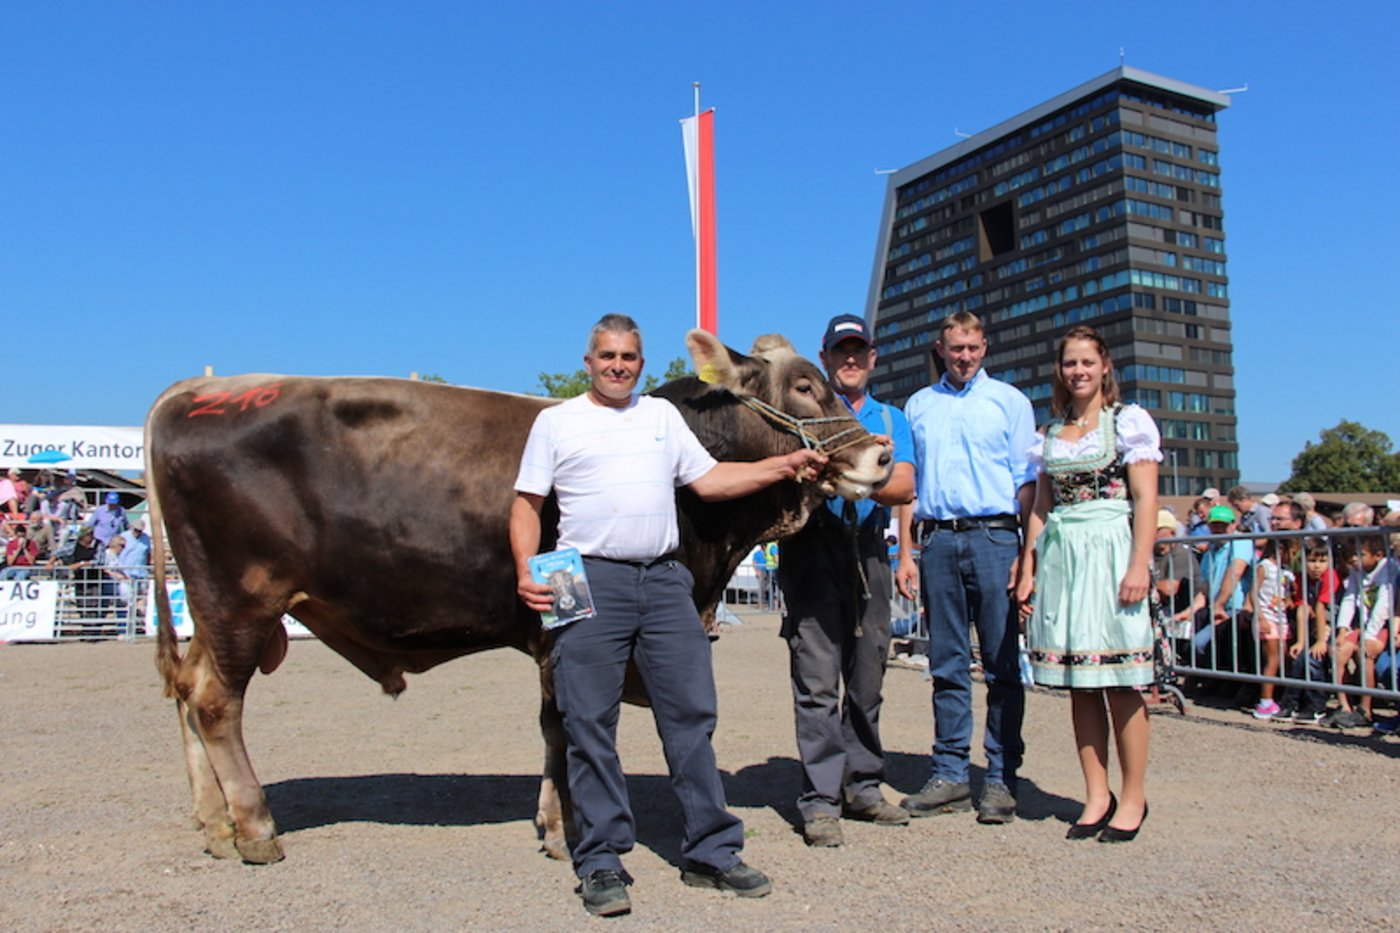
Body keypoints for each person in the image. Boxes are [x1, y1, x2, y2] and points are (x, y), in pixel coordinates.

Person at [510, 313, 827, 917]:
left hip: (663, 575)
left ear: (641, 363)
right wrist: (528, 568)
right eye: (607, 356)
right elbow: (527, 505)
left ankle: (712, 850)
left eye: (629, 356)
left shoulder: (661, 416)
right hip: (582, 574)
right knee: (588, 721)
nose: (618, 365)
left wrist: (784, 466)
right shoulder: (556, 422)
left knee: (691, 716)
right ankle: (601, 858)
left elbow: (708, 481)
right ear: (588, 362)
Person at [1014, 325, 1160, 843]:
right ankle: (1096, 794)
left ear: (1105, 368)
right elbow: (1042, 508)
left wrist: (1138, 565)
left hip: (1109, 548)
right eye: (1070, 363)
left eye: (1086, 362)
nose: (1078, 372)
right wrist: (1029, 566)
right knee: (1080, 683)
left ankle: (1135, 796)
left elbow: (1145, 500)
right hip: (1063, 554)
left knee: (1120, 679)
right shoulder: (1051, 434)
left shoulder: (1127, 423)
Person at [776, 313, 915, 848]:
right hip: (810, 549)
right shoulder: (807, 411)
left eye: (859, 351)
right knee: (815, 680)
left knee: (867, 679)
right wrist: (861, 462)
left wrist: (859, 473)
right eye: (842, 351)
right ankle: (820, 801)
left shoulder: (889, 416)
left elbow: (902, 484)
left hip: (868, 554)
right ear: (826, 358)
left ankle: (863, 785)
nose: (851, 360)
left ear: (872, 358)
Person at [895, 310, 1036, 824]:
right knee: (946, 663)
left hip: (995, 536)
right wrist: (907, 552)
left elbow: (1026, 479)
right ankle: (951, 772)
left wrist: (1027, 555)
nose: (964, 357)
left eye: (973, 348)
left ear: (985, 348)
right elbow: (909, 483)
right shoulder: (919, 405)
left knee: (1001, 663)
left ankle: (1000, 777)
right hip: (938, 540)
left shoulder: (1009, 402)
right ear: (941, 348)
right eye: (956, 348)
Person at [1322, 535, 1396, 729]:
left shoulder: (1388, 568)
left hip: (1383, 624)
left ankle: (1365, 709)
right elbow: (1350, 598)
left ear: (1378, 555)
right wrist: (1342, 630)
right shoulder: (1357, 571)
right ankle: (1345, 706)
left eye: (1359, 554)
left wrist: (1370, 635)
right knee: (1338, 651)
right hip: (1362, 624)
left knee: (1365, 653)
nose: (1354, 559)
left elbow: (1384, 605)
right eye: (1351, 555)